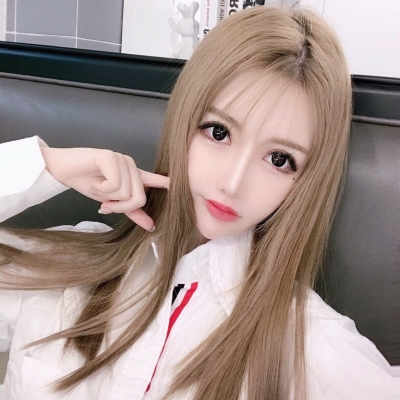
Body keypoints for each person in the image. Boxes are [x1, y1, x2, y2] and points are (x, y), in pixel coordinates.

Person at [0, 6, 399, 400]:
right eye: (219, 132)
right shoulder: (64, 268)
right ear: (184, 120)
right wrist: (49, 165)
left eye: (279, 159)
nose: (233, 183)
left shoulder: (310, 344)